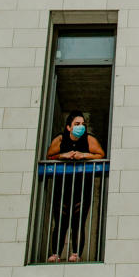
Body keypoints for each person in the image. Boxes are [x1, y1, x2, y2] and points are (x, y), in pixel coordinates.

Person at [45, 111, 106, 263]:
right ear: (68, 127)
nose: (80, 127)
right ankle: (56, 253)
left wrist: (84, 155)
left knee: (78, 221)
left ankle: (76, 253)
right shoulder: (60, 139)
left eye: (82, 124)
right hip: (63, 185)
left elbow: (100, 154)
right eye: (77, 124)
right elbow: (49, 156)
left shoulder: (89, 139)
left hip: (82, 185)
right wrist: (62, 156)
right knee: (61, 220)